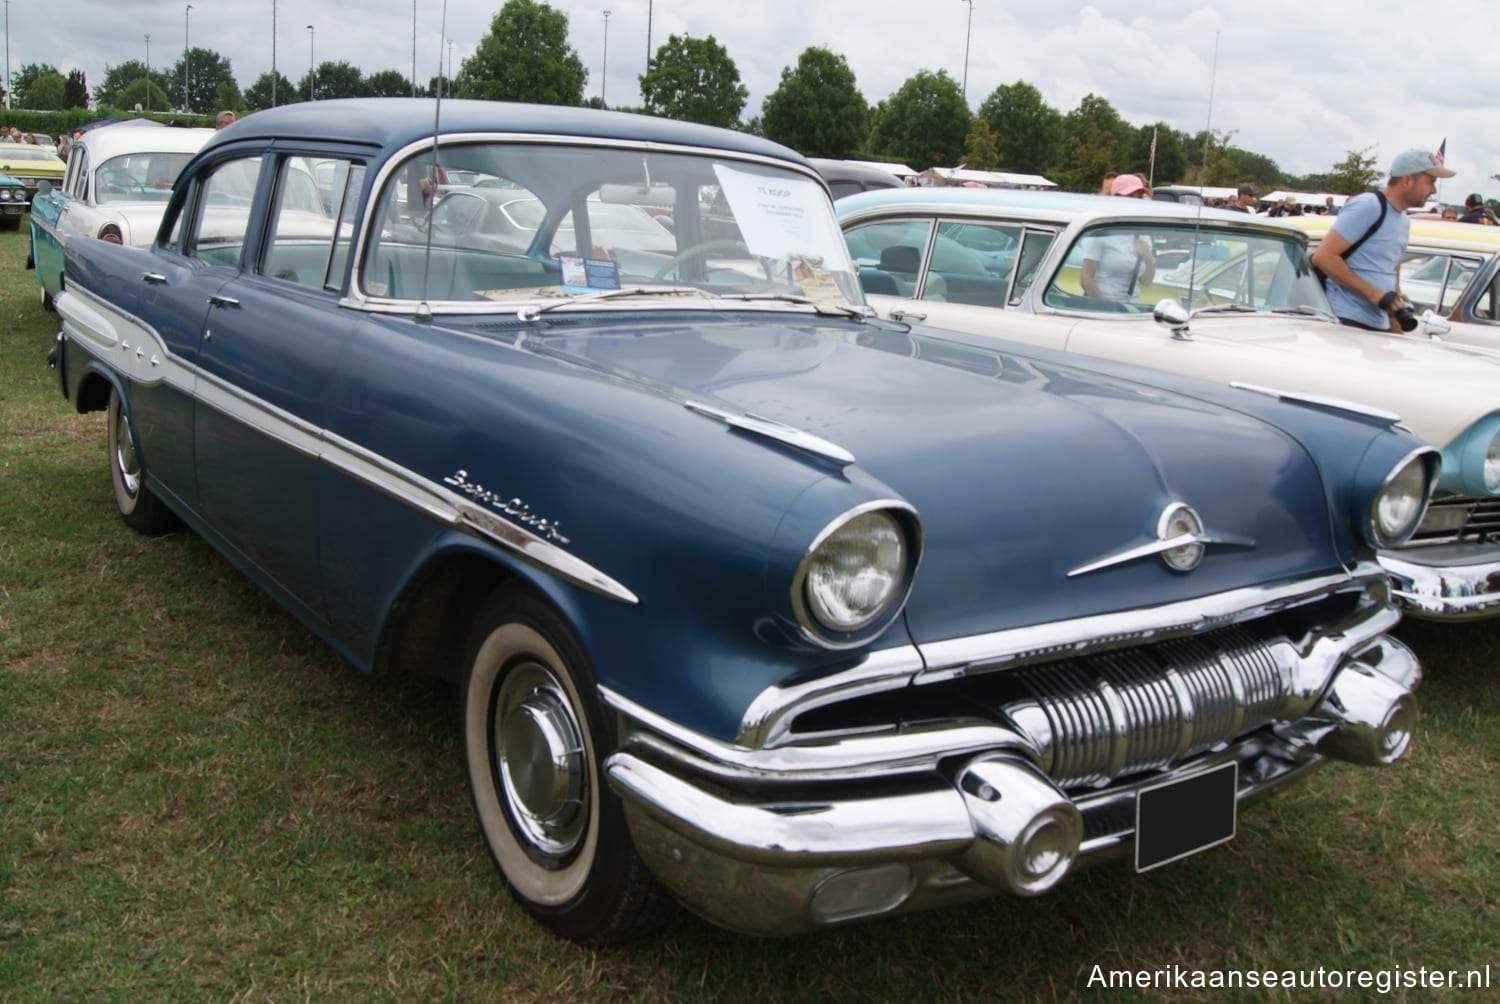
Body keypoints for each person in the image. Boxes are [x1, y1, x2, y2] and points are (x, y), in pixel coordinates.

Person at [1311, 148, 1454, 331]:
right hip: (1346, 321)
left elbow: (1391, 270)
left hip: (1376, 324)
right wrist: (1375, 295)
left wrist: (1396, 324)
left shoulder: (1403, 221)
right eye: (1431, 182)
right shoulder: (1369, 205)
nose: (1433, 190)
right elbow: (1323, 257)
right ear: (1407, 180)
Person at [1080, 174, 1155, 301]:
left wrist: (1148, 257)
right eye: (1130, 197)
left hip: (1132, 307)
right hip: (1102, 306)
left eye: (1138, 198)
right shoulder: (1099, 231)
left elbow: (1146, 281)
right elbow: (1086, 280)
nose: (1135, 202)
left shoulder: (1142, 234)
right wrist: (1106, 308)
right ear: (1115, 197)